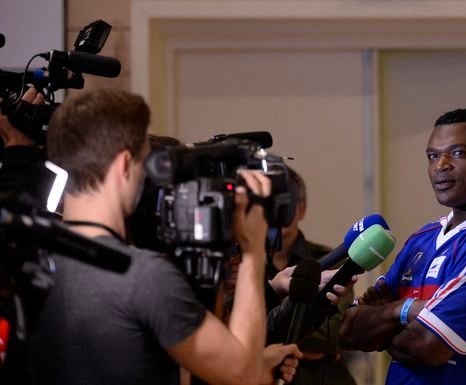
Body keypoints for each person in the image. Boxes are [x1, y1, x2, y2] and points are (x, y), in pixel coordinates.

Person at [26, 88, 301, 385]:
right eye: (146, 162)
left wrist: (259, 362)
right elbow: (240, 374)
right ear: (123, 166)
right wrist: (253, 251)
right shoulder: (141, 276)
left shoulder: (27, 259)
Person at [339, 108, 466, 385]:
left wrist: (385, 321)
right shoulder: (422, 238)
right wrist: (407, 311)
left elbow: (428, 345)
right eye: (433, 156)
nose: (440, 165)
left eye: (458, 153)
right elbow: (350, 332)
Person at [266, 167, 357, 385]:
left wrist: (259, 341)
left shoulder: (330, 259)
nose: (277, 212)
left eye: (285, 203)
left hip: (322, 377)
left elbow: (332, 335)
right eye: (270, 203)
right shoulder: (240, 262)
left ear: (302, 209)